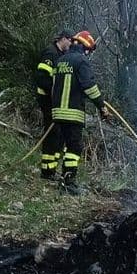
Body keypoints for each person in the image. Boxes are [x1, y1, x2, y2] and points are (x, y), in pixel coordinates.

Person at [51, 30, 109, 194]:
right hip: (72, 113)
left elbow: (56, 85)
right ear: (84, 47)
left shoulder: (60, 60)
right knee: (74, 147)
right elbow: (89, 86)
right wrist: (101, 106)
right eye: (88, 50)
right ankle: (69, 183)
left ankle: (62, 178)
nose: (88, 54)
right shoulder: (81, 61)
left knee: (65, 145)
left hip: (57, 112)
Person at [35, 27, 74, 180]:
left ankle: (51, 169)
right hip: (46, 99)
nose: (71, 44)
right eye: (70, 41)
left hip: (55, 101)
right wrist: (54, 92)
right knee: (52, 133)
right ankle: (47, 171)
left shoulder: (61, 56)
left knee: (58, 134)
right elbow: (42, 78)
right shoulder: (50, 53)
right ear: (63, 39)